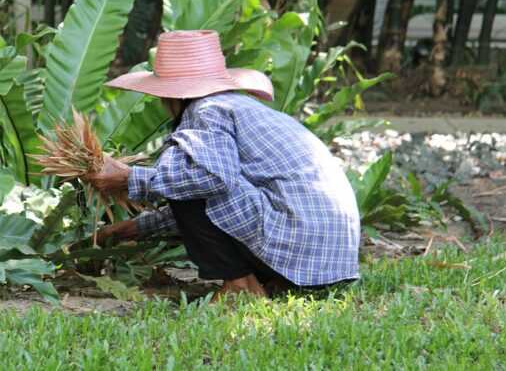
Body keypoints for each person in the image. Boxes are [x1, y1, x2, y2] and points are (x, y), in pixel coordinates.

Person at [88, 30, 360, 299]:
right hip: (325, 261)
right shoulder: (236, 106)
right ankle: (273, 280)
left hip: (298, 241)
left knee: (186, 175)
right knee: (185, 178)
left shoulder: (207, 110)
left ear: (171, 95)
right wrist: (131, 229)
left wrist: (129, 179)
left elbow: (209, 181)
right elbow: (213, 196)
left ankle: (240, 286)